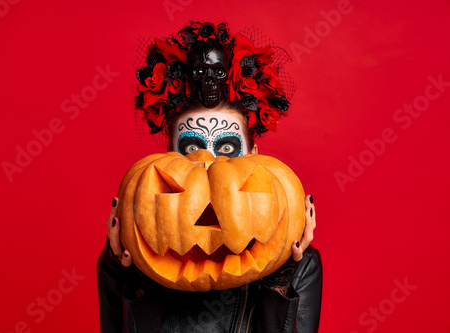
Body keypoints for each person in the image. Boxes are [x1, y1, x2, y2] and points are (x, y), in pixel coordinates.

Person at [97, 22, 322, 332]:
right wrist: (131, 277)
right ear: (169, 152)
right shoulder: (128, 255)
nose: (209, 163)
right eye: (190, 147)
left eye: (228, 148)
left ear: (254, 153)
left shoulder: (300, 264)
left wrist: (281, 276)